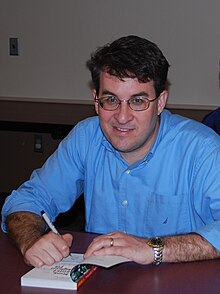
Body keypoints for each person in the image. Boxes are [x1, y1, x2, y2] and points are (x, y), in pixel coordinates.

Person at [2, 35, 220, 268]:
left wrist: (153, 248)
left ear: (160, 102)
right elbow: (25, 201)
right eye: (111, 99)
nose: (122, 117)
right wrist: (32, 240)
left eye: (137, 101)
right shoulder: (86, 138)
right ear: (96, 101)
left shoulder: (201, 150)